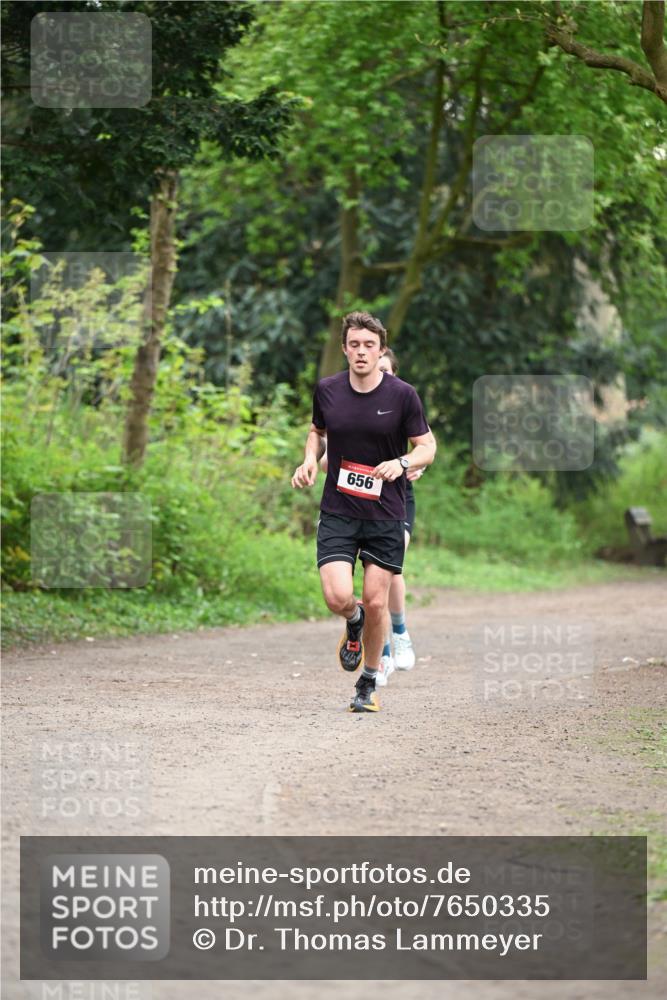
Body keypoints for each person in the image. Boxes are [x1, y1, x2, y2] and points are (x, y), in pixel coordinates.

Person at [291, 311, 436, 713]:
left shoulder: (402, 395)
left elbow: (427, 445)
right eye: (354, 344)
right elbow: (317, 432)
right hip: (338, 510)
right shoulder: (328, 390)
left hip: (386, 513)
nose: (361, 352)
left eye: (369, 345)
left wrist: (403, 464)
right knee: (338, 596)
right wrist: (308, 460)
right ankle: (352, 621)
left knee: (377, 601)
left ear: (380, 350)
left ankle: (368, 682)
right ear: (344, 348)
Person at [374, 349, 424, 687]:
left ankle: (401, 629)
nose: (382, 377)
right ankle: (385, 651)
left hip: (396, 500)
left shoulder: (404, 403)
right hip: (357, 502)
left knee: (391, 567)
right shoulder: (348, 402)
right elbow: (327, 460)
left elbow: (423, 447)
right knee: (369, 585)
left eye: (387, 371)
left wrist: (412, 465)